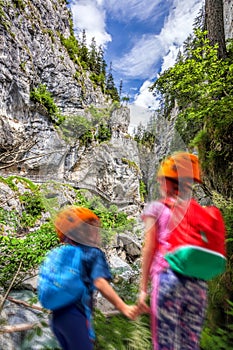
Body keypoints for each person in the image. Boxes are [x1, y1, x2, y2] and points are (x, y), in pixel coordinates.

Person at [137, 152, 208, 350]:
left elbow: (149, 248)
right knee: (190, 344)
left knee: (165, 344)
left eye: (161, 180)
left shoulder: (156, 208)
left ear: (166, 181)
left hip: (168, 278)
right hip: (197, 284)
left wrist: (143, 289)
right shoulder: (197, 210)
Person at [50, 206, 137, 350]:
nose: (99, 233)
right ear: (84, 232)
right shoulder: (93, 253)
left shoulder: (61, 254)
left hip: (57, 318)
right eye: (95, 228)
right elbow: (100, 282)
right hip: (77, 316)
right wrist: (123, 307)